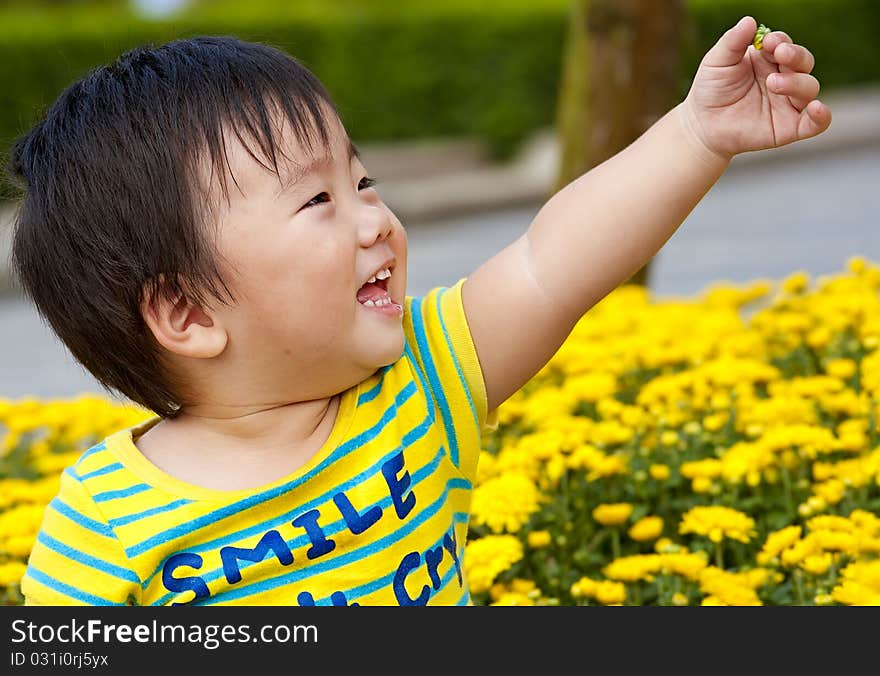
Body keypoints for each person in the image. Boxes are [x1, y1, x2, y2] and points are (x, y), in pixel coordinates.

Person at [10, 16, 830, 606]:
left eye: (363, 182)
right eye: (319, 200)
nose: (377, 221)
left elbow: (553, 263)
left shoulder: (423, 382)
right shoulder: (105, 525)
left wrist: (696, 133)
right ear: (187, 313)